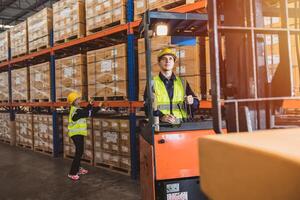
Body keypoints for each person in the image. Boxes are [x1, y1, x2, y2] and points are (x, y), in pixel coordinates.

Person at [144, 47, 199, 124]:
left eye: (170, 59)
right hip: (161, 125)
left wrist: (192, 102)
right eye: (164, 59)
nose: (167, 61)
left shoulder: (182, 82)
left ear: (173, 62)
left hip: (181, 125)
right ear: (159, 63)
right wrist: (161, 116)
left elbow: (196, 105)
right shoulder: (152, 82)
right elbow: (147, 107)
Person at [67, 91, 100, 181]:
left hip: (79, 133)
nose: (79, 100)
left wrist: (90, 104)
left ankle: (78, 168)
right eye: (77, 99)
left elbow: (85, 111)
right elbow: (88, 113)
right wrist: (99, 107)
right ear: (74, 101)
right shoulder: (76, 111)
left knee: (79, 151)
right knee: (79, 152)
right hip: (75, 134)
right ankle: (72, 173)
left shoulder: (77, 109)